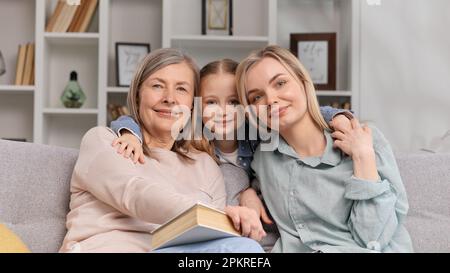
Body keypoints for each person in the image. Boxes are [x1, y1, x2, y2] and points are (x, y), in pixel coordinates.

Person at [109, 58, 354, 251]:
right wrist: (130, 133)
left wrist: (338, 116)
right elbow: (138, 121)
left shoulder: (260, 135)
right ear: (195, 106)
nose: (224, 112)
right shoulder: (187, 141)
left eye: (234, 102)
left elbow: (305, 113)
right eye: (212, 102)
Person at [59, 48, 265, 253]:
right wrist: (215, 214)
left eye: (181, 89)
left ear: (193, 105)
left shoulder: (205, 164)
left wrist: (237, 213)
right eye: (158, 86)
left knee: (245, 250)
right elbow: (135, 194)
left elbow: (211, 237)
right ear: (138, 94)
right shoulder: (104, 141)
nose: (170, 98)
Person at [235, 45, 413, 253]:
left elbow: (371, 238)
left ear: (303, 81)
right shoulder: (262, 159)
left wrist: (363, 157)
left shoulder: (365, 139)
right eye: (256, 97)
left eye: (281, 83)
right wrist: (247, 193)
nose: (271, 99)